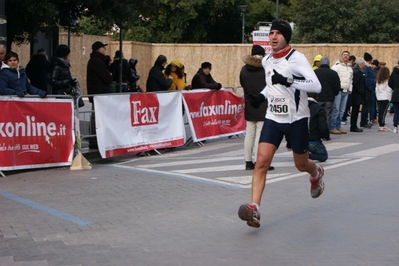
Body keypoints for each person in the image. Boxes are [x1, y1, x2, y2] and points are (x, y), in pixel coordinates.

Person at [237, 19, 323, 228]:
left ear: (286, 37)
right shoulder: (267, 60)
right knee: (261, 163)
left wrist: (289, 81)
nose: (273, 37)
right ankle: (255, 209)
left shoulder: (296, 58)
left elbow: (316, 85)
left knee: (301, 164)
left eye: (278, 33)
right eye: (271, 33)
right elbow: (272, 86)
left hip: (296, 120)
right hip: (273, 118)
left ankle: (316, 173)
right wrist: (261, 96)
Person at [240, 45, 274, 171]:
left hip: (249, 104)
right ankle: (260, 161)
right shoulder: (266, 68)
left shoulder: (244, 69)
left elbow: (242, 84)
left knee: (249, 134)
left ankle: (248, 162)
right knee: (260, 134)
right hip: (263, 104)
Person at [87, 41, 113, 149]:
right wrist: (110, 73)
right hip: (99, 92)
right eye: (103, 48)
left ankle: (95, 137)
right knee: (96, 116)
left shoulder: (95, 61)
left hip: (97, 91)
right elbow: (107, 77)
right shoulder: (97, 62)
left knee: (96, 115)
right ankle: (94, 138)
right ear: (99, 49)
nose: (105, 50)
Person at [314, 56, 341, 130]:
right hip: (329, 98)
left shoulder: (315, 72)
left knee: (317, 115)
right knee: (327, 115)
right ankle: (326, 133)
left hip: (318, 97)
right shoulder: (333, 73)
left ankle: (318, 131)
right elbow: (337, 86)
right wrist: (334, 94)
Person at [331, 51, 353, 134]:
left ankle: (338, 126)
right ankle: (333, 127)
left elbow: (351, 79)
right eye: (344, 55)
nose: (345, 56)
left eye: (347, 55)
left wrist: (350, 89)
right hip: (338, 91)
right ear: (341, 56)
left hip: (346, 91)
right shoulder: (337, 66)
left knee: (342, 110)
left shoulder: (349, 67)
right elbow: (332, 77)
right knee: (336, 109)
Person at [307, 93, 329, 162]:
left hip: (299, 141)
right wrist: (325, 136)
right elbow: (323, 126)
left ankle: (302, 153)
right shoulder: (319, 109)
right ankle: (309, 156)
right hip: (313, 140)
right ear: (316, 97)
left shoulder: (298, 106)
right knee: (323, 156)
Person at [350, 57, 366, 132]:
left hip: (357, 94)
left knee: (355, 110)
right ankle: (353, 126)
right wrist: (361, 91)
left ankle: (354, 125)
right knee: (355, 110)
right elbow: (355, 83)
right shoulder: (357, 71)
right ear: (361, 64)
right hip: (356, 94)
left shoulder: (358, 70)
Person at [360, 52, 376, 129]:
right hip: (368, 90)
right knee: (366, 106)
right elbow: (367, 79)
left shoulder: (367, 67)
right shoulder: (367, 68)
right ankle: (363, 122)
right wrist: (370, 88)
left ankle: (364, 121)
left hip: (368, 89)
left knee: (366, 106)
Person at [375, 66, 392, 132]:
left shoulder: (378, 81)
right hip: (385, 97)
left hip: (379, 97)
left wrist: (377, 97)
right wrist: (389, 98)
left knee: (380, 111)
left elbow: (376, 89)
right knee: (383, 112)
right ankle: (382, 125)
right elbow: (388, 90)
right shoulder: (387, 81)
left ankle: (381, 124)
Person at [342, 55, 357, 125]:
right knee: (342, 107)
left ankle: (343, 118)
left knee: (345, 105)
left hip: (348, 89)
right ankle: (343, 118)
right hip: (343, 88)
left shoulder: (351, 68)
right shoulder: (343, 67)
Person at [388, 64, 399, 133]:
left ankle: (395, 127)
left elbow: (390, 83)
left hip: (396, 93)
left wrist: (394, 88)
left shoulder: (394, 72)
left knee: (396, 111)